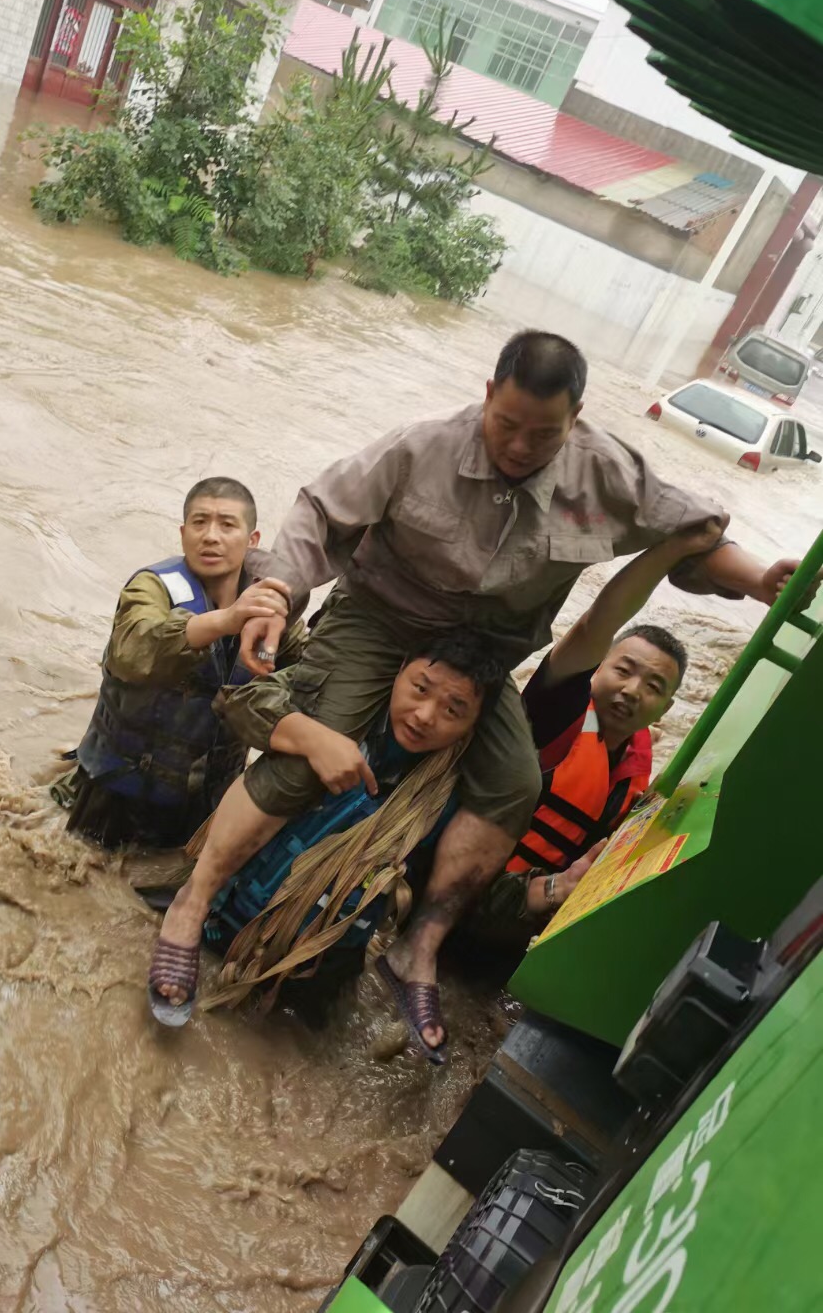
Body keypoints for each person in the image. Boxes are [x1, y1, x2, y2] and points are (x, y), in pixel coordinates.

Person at [150, 330, 806, 1034]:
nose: (521, 446)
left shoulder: (609, 473)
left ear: (577, 417)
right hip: (382, 616)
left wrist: (760, 578)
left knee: (516, 782)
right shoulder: (420, 447)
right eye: (507, 424)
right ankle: (192, 906)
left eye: (544, 433)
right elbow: (318, 510)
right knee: (319, 742)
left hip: (487, 651)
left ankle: (419, 947)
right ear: (488, 395)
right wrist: (278, 592)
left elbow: (696, 534)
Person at [179, 633, 507, 1060]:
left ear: (472, 726)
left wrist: (549, 890)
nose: (425, 716)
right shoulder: (342, 701)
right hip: (224, 921)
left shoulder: (453, 799)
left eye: (453, 709)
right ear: (399, 669)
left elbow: (456, 890)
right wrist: (312, 738)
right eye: (420, 689)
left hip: (318, 970)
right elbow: (242, 699)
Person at [464, 523, 718, 951]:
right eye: (623, 669)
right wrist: (669, 551)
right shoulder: (554, 714)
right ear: (596, 668)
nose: (633, 690)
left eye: (654, 686)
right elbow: (592, 626)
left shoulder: (634, 769)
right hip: (464, 889)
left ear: (666, 709)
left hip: (518, 919)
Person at [54, 477, 300, 848]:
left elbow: (310, 679)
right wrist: (226, 620)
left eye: (227, 525)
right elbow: (132, 650)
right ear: (183, 533)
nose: (211, 536)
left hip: (205, 806)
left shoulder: (270, 611)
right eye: (200, 523)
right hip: (112, 795)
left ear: (252, 541)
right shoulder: (152, 587)